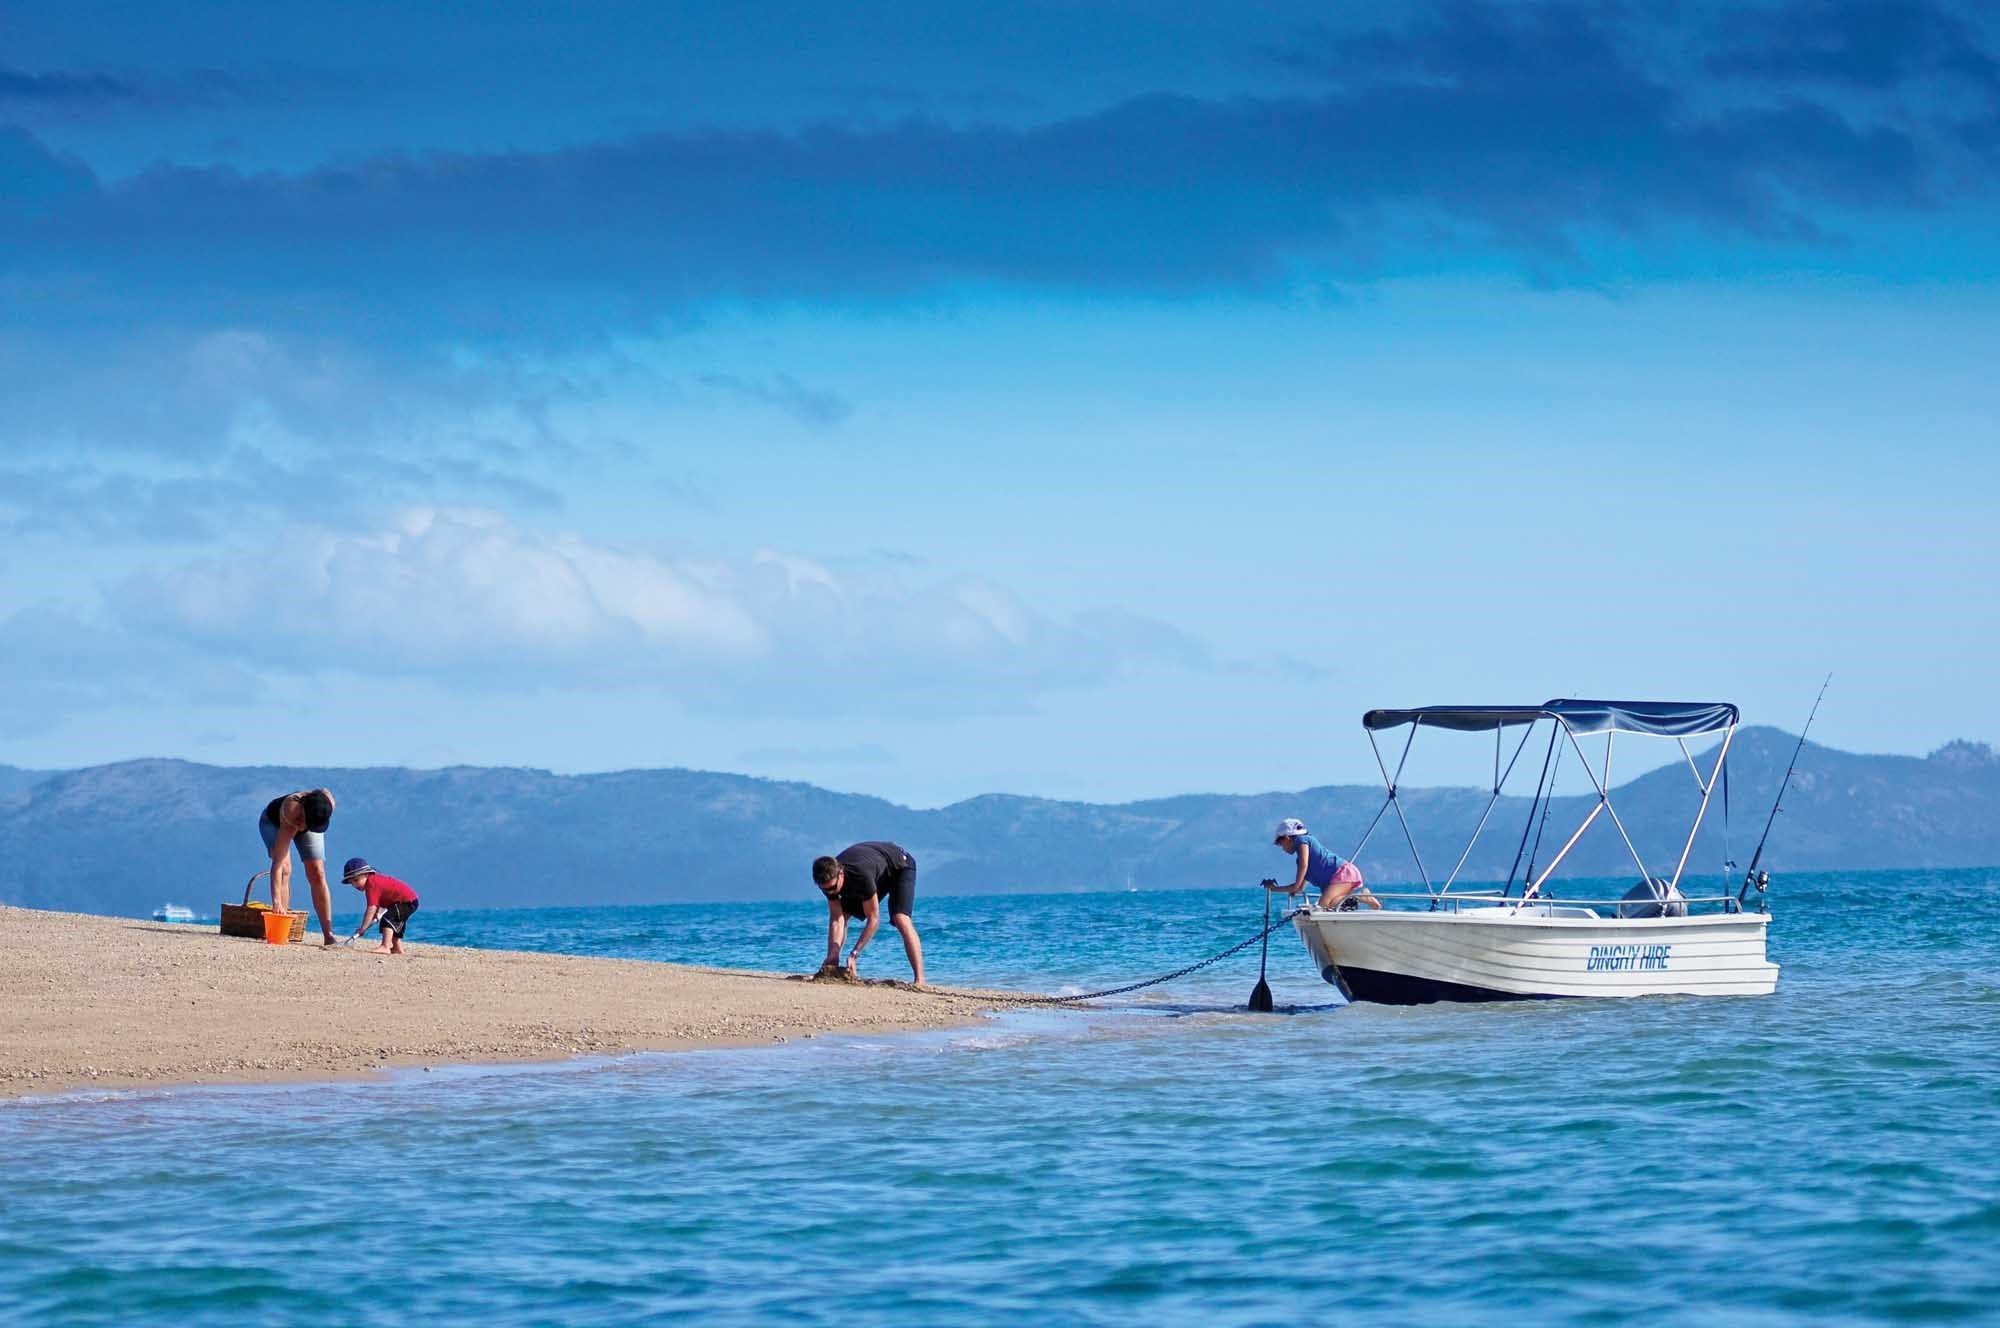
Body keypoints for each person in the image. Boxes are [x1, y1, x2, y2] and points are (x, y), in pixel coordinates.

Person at [812, 842, 924, 985]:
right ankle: (834, 961)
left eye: (833, 887)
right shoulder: (826, 880)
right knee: (843, 914)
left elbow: (874, 919)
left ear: (840, 874)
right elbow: (836, 918)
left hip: (900, 866)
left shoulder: (861, 876)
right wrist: (832, 954)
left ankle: (919, 979)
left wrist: (854, 953)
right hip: (876, 868)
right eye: (825, 889)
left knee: (900, 918)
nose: (830, 892)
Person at [259, 788, 338, 946]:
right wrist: (276, 902)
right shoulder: (291, 812)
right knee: (286, 870)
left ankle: (328, 934)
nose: (302, 826)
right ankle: (282, 925)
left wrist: (310, 797)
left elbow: (323, 790)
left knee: (317, 872)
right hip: (273, 823)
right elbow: (277, 866)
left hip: (310, 816)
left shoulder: (326, 804)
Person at [1267, 817, 1379, 911]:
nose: (1283, 849)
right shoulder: (1300, 861)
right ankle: (1358, 897)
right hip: (1340, 877)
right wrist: (1274, 889)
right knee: (1329, 905)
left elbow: (1304, 865)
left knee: (1323, 905)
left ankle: (1361, 896)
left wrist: (1295, 887)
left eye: (1281, 845)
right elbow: (1300, 887)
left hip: (1343, 873)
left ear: (1287, 838)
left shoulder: (1302, 841)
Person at [340, 857, 420, 955]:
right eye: (351, 883)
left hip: (406, 901)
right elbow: (379, 901)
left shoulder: (372, 884)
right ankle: (397, 948)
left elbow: (371, 908)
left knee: (388, 919)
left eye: (356, 880)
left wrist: (363, 928)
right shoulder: (373, 882)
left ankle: (385, 946)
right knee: (395, 924)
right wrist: (377, 913)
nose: (355, 885)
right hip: (406, 901)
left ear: (366, 874)